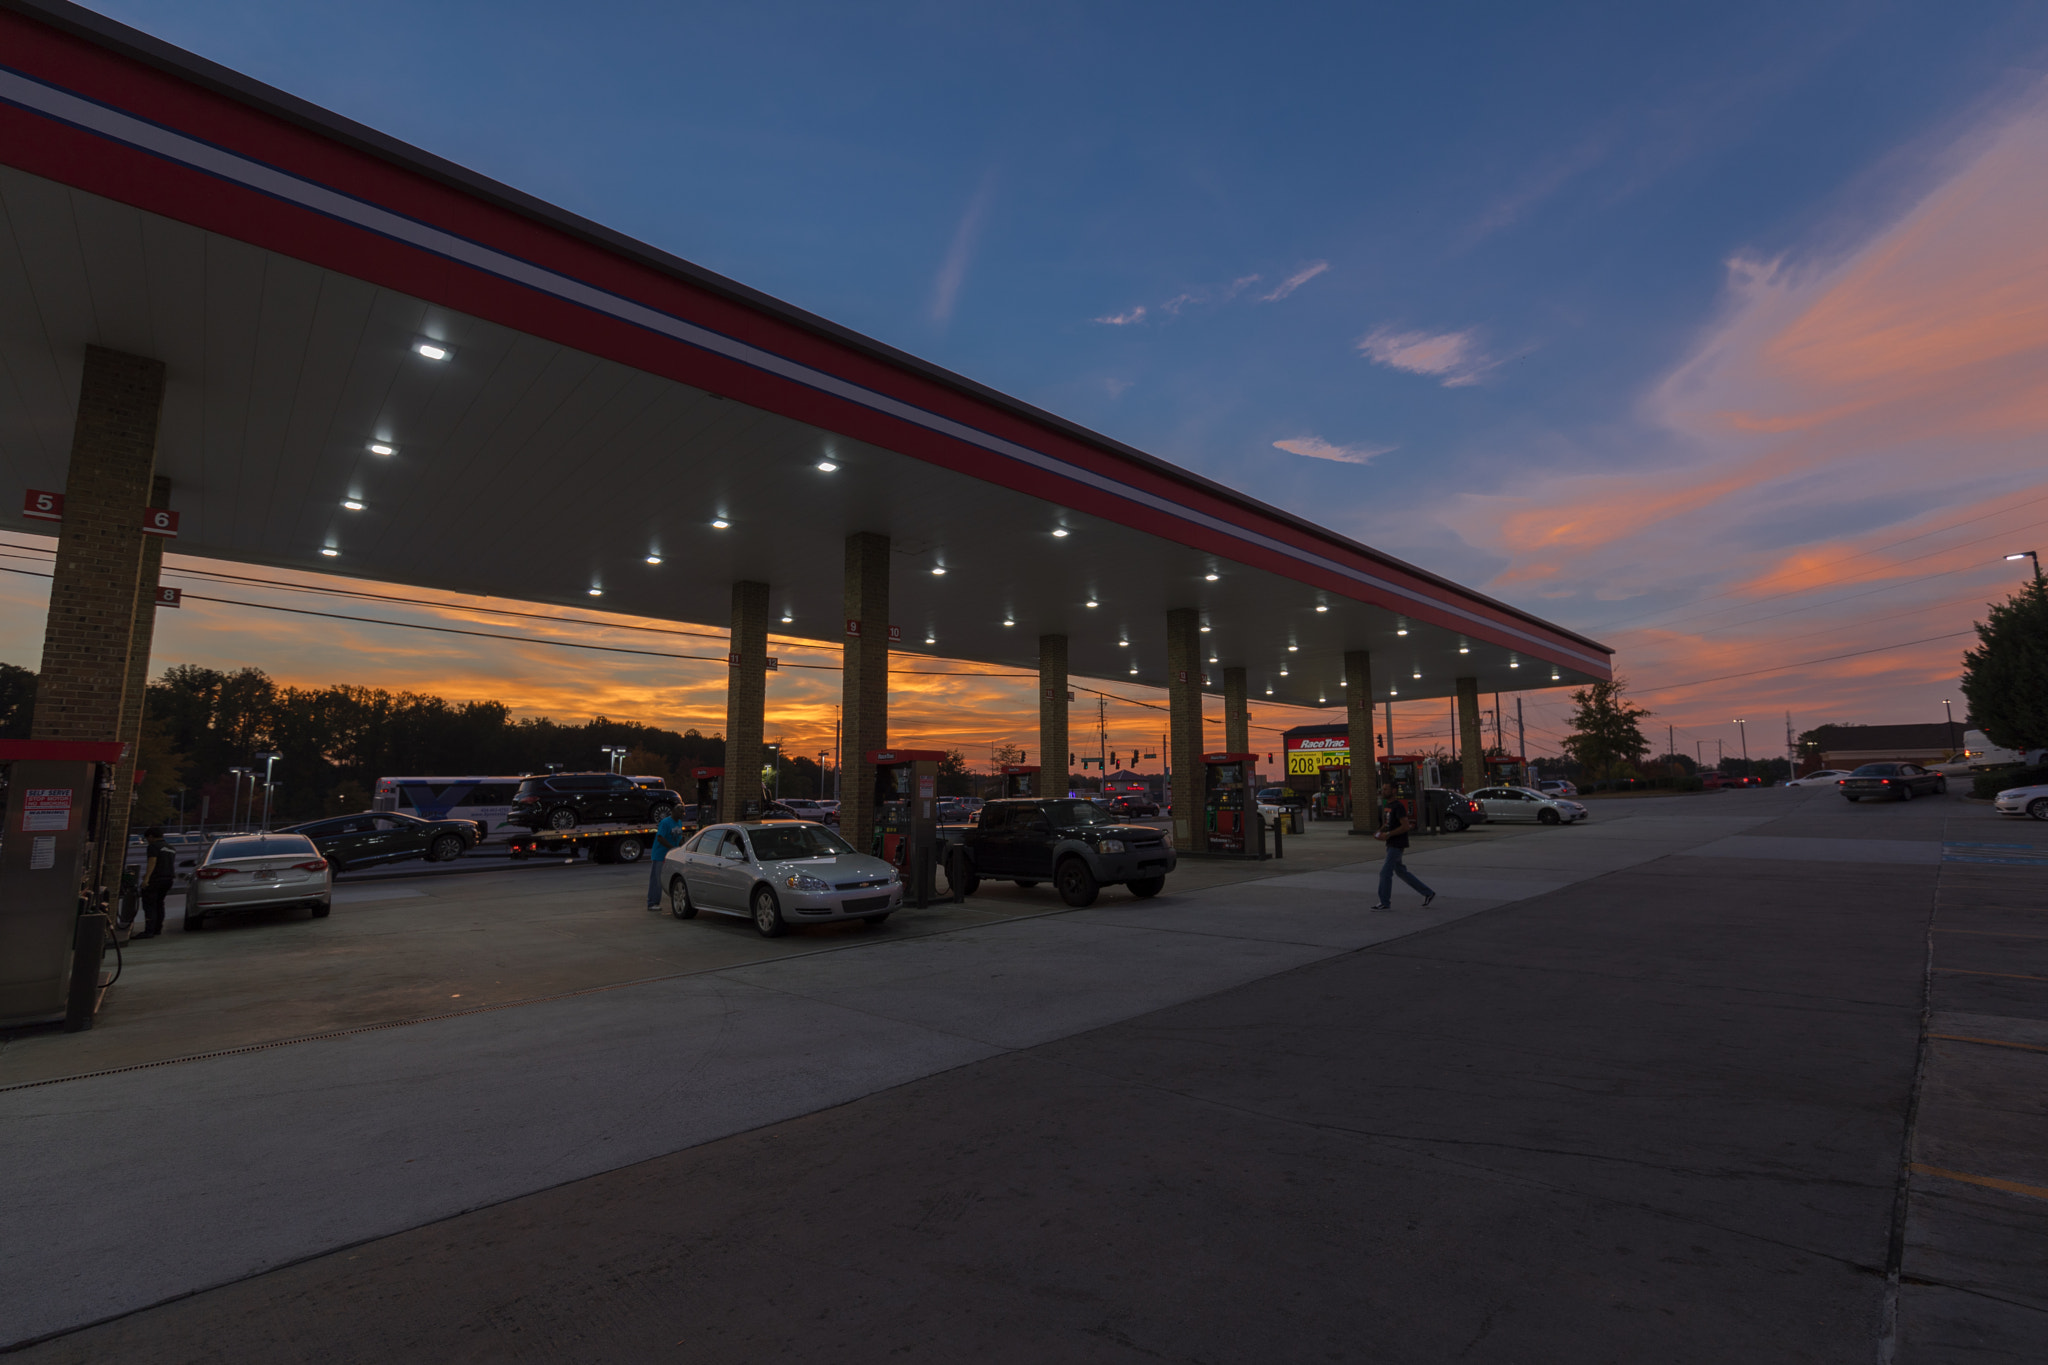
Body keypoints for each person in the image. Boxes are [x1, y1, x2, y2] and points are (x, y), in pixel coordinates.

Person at [1372, 791, 1436, 912]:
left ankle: (1384, 902)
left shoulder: (1398, 806)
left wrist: (1389, 834)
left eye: (1387, 789)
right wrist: (1379, 832)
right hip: (1391, 843)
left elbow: (1406, 826)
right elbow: (1387, 824)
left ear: (1393, 791)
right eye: (1383, 788)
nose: (1384, 791)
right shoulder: (1388, 806)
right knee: (1401, 872)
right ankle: (1428, 892)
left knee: (1385, 873)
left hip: (1397, 844)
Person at [134, 827, 177, 938]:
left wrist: (146, 878)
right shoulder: (171, 848)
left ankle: (149, 931)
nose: (147, 840)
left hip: (156, 879)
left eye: (147, 838)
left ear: (151, 836)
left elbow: (152, 862)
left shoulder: (153, 847)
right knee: (159, 903)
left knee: (149, 905)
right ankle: (158, 928)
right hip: (168, 879)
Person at [647, 806, 687, 910]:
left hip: (671, 856)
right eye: (681, 811)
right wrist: (672, 848)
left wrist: (683, 849)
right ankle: (652, 903)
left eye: (684, 812)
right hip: (660, 855)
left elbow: (679, 838)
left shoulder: (679, 823)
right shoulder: (665, 822)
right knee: (657, 880)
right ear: (673, 811)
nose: (683, 814)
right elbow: (660, 838)